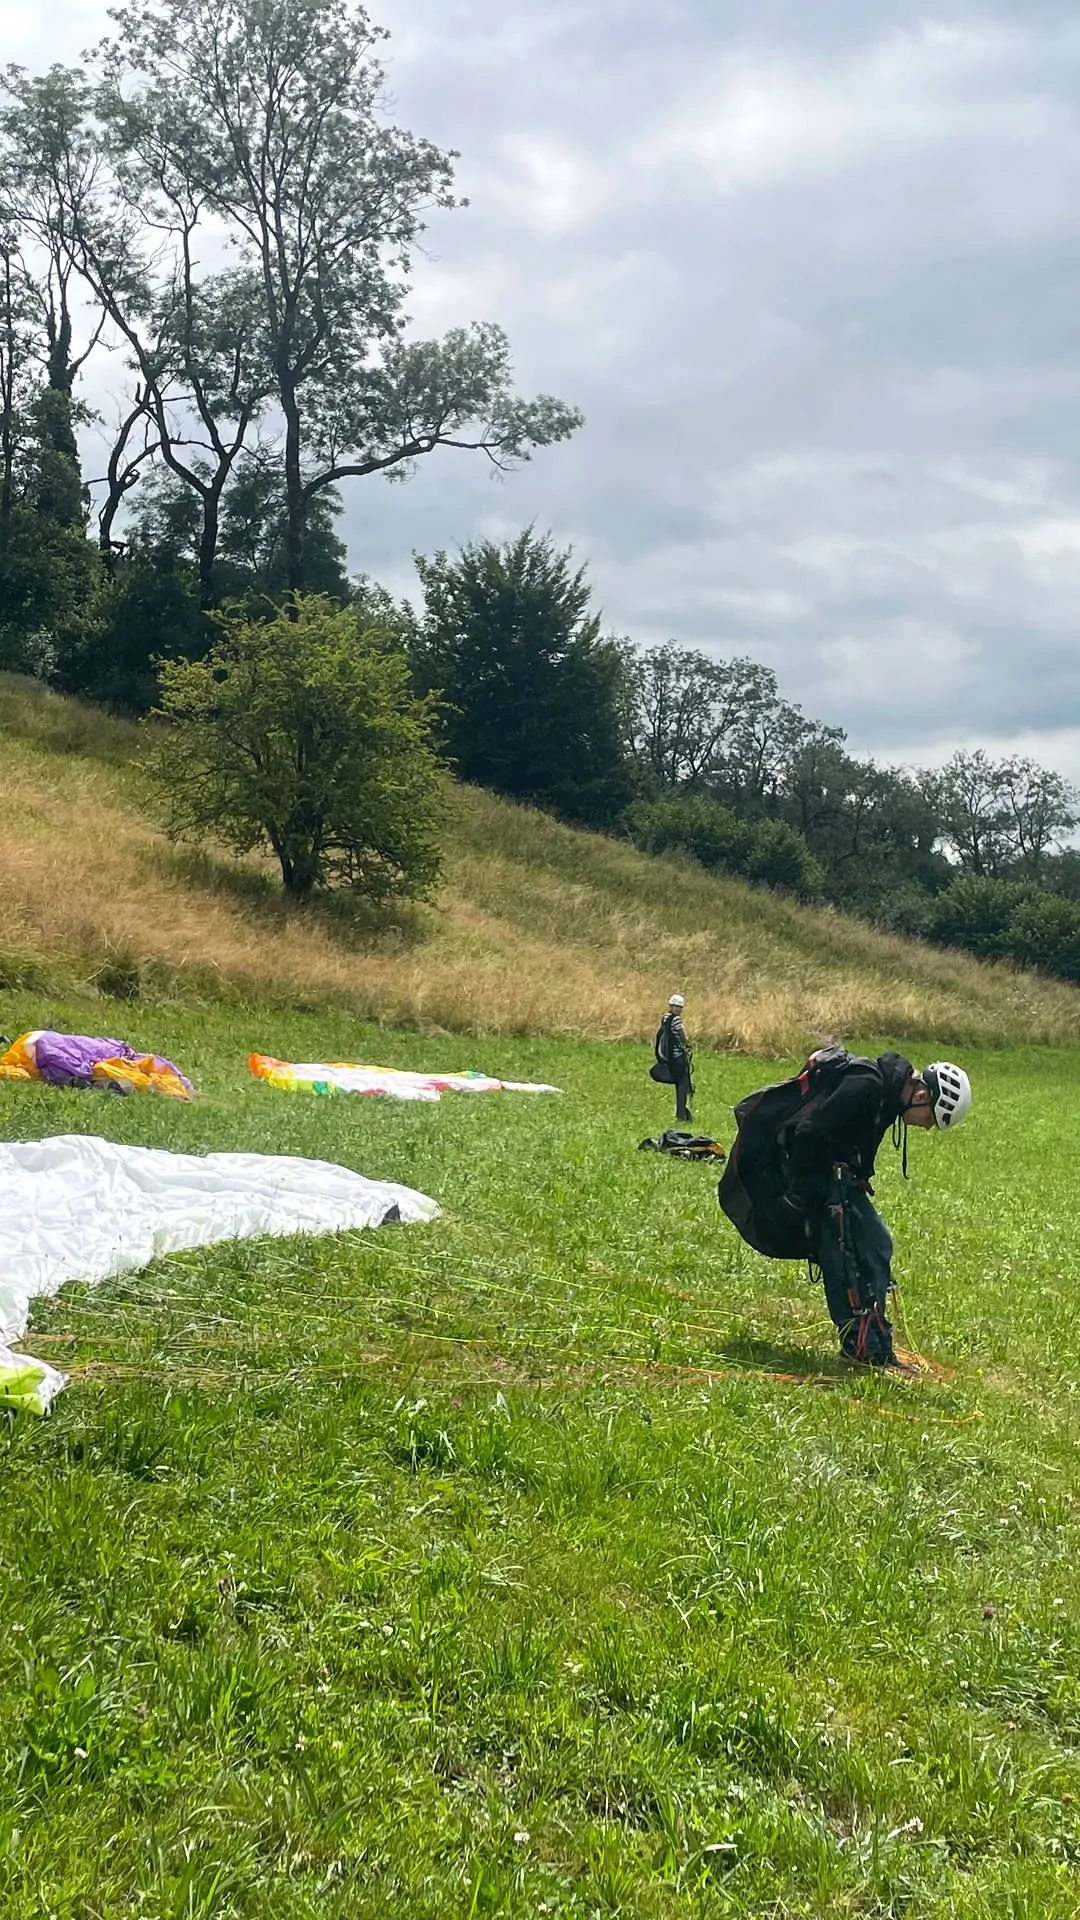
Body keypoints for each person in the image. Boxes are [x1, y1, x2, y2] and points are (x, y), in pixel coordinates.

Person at [781, 1053, 972, 1370]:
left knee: (877, 1246)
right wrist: (805, 1194)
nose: (926, 1127)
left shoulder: (888, 1099)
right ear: (922, 1096)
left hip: (839, 1181)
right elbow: (807, 1131)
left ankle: (879, 1348)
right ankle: (860, 1349)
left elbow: (857, 1142)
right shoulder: (867, 1086)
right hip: (814, 1181)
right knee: (842, 1260)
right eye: (929, 1119)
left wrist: (858, 1177)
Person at [651, 993, 694, 1123]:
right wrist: (688, 1043)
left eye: (680, 1007)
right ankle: (682, 1114)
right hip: (678, 1059)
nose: (678, 1009)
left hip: (669, 1059)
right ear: (671, 1006)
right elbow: (682, 1036)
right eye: (676, 1007)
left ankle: (682, 1112)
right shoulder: (676, 1020)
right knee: (683, 1085)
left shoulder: (665, 1018)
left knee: (680, 1083)